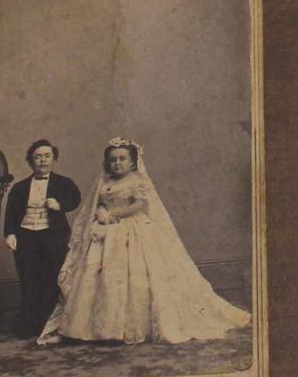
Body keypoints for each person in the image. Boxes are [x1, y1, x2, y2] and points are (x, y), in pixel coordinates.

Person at [40, 139, 250, 346]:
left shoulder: (137, 181)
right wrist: (102, 210)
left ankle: (127, 327)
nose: (117, 163)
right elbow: (99, 202)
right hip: (106, 233)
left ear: (133, 162)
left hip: (133, 228)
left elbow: (139, 204)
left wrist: (113, 214)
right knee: (100, 275)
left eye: (123, 159)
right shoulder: (105, 182)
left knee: (136, 274)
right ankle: (100, 328)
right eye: (113, 160)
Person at [2, 139, 81, 339]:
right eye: (37, 157)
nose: (42, 160)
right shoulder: (19, 187)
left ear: (54, 158)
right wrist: (10, 233)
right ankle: (30, 323)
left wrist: (60, 204)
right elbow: (11, 212)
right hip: (26, 236)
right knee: (29, 278)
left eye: (47, 156)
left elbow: (75, 199)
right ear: (31, 161)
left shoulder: (64, 183)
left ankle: (51, 324)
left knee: (51, 278)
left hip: (52, 235)